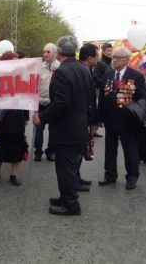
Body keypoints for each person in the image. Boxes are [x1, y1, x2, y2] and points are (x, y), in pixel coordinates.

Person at [33, 36, 94, 216]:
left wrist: (42, 117)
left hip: (66, 128)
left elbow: (61, 103)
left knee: (65, 168)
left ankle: (71, 204)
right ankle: (65, 197)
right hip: (79, 126)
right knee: (70, 167)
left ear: (58, 52)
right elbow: (90, 98)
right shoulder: (83, 70)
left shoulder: (62, 72)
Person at [98, 47, 146, 190]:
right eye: (114, 57)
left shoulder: (135, 75)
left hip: (128, 119)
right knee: (110, 149)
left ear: (127, 59)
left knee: (130, 149)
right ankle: (110, 175)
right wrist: (100, 116)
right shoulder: (108, 75)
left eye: (118, 58)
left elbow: (144, 97)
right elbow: (102, 96)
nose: (115, 60)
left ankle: (132, 176)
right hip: (110, 118)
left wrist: (135, 108)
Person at [0, 51, 29, 186]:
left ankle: (13, 174)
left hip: (16, 118)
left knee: (16, 146)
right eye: (13, 60)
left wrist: (26, 116)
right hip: (0, 118)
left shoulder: (22, 78)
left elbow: (27, 97)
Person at [75, 43, 100, 191]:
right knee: (77, 152)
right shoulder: (81, 72)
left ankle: (77, 176)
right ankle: (74, 181)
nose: (98, 59)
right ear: (90, 58)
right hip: (80, 119)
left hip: (86, 118)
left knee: (81, 150)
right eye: (97, 56)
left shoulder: (88, 71)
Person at [35, 43, 59, 162]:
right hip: (40, 103)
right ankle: (37, 151)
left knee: (54, 130)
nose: (45, 54)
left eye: (48, 52)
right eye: (44, 52)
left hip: (54, 103)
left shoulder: (60, 67)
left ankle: (51, 151)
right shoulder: (39, 67)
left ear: (55, 53)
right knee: (38, 129)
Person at [91, 43, 113, 137]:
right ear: (103, 51)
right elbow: (95, 76)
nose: (110, 52)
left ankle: (94, 129)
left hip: (107, 89)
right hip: (99, 89)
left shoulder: (110, 61)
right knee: (98, 109)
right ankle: (92, 130)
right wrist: (105, 83)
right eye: (108, 50)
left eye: (111, 50)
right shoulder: (100, 63)